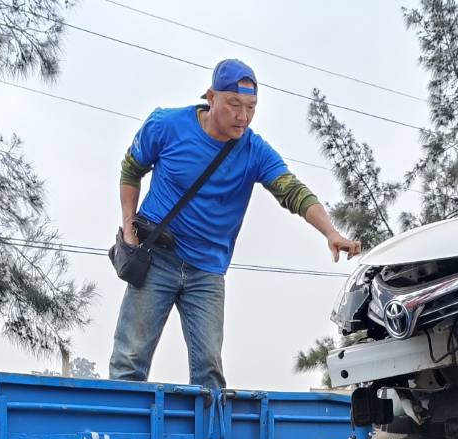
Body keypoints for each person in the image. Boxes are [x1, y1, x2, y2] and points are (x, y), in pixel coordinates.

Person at [107, 59, 360, 391]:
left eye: (252, 107)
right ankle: (115, 437)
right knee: (130, 358)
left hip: (207, 271)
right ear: (211, 97)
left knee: (209, 368)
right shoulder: (167, 125)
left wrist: (331, 232)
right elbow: (131, 169)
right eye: (234, 104)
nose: (243, 116)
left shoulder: (254, 151)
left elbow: (292, 190)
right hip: (157, 258)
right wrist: (128, 229)